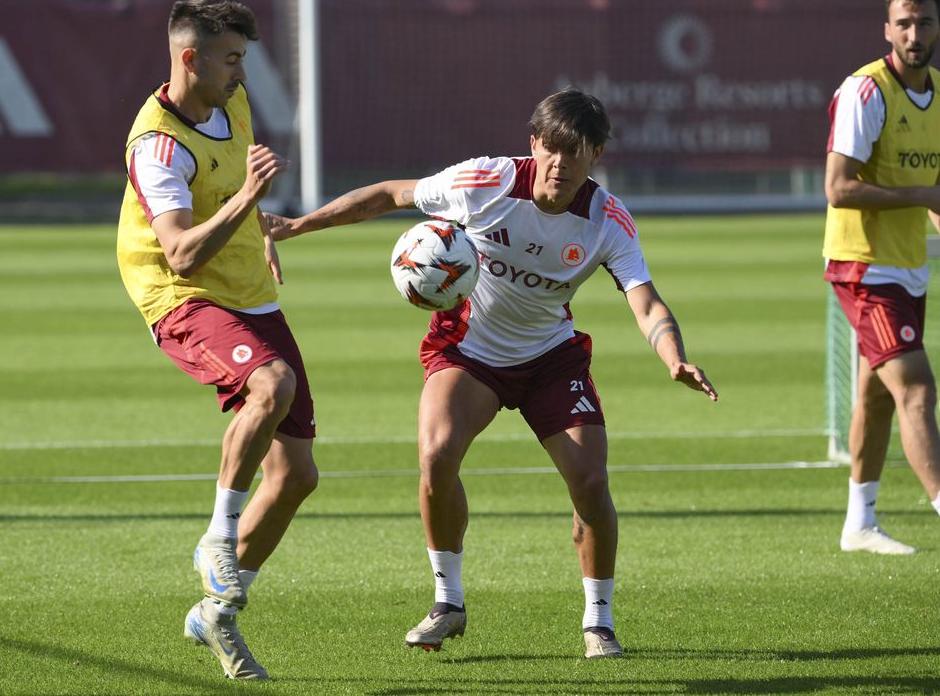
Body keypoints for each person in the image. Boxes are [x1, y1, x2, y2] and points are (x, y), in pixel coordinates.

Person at [266, 87, 718, 659]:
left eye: (575, 151)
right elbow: (390, 194)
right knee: (436, 455)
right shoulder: (486, 182)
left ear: (596, 154)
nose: (560, 162)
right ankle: (447, 602)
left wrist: (673, 356)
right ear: (534, 143)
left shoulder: (608, 221)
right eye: (551, 147)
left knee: (590, 483)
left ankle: (599, 621)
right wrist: (296, 226)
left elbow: (646, 301)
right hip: (469, 352)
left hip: (550, 358)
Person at [115, 0, 318, 680]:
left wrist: (259, 225)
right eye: (231, 59)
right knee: (272, 385)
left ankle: (215, 614)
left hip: (247, 291)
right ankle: (217, 538)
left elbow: (234, 181)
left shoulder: (232, 101)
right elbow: (179, 253)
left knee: (296, 475)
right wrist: (247, 200)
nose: (242, 72)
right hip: (181, 296)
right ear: (190, 58)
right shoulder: (157, 146)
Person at [823, 0, 940, 555]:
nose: (914, 34)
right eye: (904, 23)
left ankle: (860, 523)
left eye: (924, 23)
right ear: (887, 29)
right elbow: (838, 188)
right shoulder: (866, 91)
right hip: (863, 266)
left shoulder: (939, 94)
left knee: (876, 395)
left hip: (908, 265)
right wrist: (924, 195)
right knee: (916, 390)